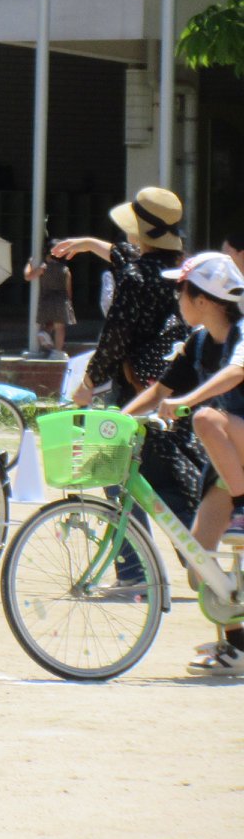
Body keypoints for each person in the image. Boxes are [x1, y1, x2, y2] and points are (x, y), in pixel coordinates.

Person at [54, 187, 201, 529]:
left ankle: (136, 568)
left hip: (138, 389)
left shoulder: (136, 277)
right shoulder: (182, 269)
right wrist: (89, 243)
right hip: (179, 382)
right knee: (174, 475)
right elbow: (125, 255)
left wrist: (88, 384)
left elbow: (114, 338)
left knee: (121, 471)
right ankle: (203, 563)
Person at [135, 251, 244, 673]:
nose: (176, 298)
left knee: (205, 417)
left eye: (181, 290)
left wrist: (188, 400)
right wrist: (113, 422)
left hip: (234, 447)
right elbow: (159, 391)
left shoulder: (240, 333)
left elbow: (235, 374)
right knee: (199, 564)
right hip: (230, 464)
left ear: (203, 299)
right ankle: (238, 648)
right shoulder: (198, 343)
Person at [22, 242, 75, 356]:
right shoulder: (65, 270)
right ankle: (58, 351)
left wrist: (30, 263)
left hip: (46, 299)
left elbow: (28, 276)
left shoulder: (43, 268)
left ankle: (44, 335)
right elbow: (68, 290)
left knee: (47, 322)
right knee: (60, 327)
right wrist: (69, 303)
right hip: (61, 300)